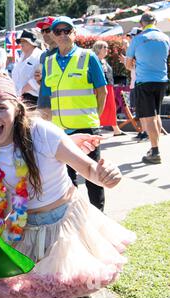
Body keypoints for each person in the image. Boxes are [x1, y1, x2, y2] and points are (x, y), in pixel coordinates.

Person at [0, 72, 136, 298]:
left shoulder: (41, 132)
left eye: (1, 108)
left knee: (67, 291)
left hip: (63, 227)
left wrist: (108, 175)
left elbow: (89, 170)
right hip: (22, 229)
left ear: (17, 107)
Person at [41, 16, 108, 212]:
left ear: (74, 33)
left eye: (67, 31)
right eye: (58, 31)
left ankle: (99, 215)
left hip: (86, 127)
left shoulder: (88, 56)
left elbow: (102, 91)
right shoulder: (49, 62)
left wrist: (96, 118)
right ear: (53, 35)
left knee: (93, 175)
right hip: (60, 131)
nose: (63, 35)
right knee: (66, 177)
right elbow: (46, 98)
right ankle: (71, 215)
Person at [126, 12, 170, 164]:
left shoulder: (138, 39)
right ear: (156, 22)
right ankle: (155, 148)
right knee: (156, 115)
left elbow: (127, 64)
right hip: (162, 81)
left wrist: (135, 65)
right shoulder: (166, 38)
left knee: (149, 116)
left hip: (144, 81)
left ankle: (155, 151)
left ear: (141, 24)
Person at [92, 41, 126, 136]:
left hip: (108, 86)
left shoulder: (103, 60)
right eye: (105, 47)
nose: (107, 49)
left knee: (111, 108)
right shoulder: (94, 59)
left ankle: (116, 129)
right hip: (100, 87)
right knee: (100, 107)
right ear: (98, 49)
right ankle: (97, 128)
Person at [121, 27, 147, 140]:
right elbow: (132, 67)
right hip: (135, 83)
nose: (131, 38)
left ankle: (145, 132)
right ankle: (143, 131)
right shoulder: (137, 49)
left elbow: (134, 64)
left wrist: (127, 57)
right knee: (139, 110)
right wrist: (126, 61)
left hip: (139, 84)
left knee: (143, 110)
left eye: (132, 36)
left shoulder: (140, 49)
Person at [10, 29, 43, 109]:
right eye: (21, 41)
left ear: (32, 43)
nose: (21, 43)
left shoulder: (39, 55)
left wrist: (21, 92)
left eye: (24, 41)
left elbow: (37, 80)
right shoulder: (21, 56)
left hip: (33, 99)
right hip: (19, 98)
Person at [35, 16, 58, 120]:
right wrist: (39, 79)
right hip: (43, 104)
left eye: (47, 30)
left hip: (58, 106)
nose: (44, 34)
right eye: (42, 31)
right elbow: (43, 82)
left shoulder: (63, 53)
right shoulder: (43, 55)